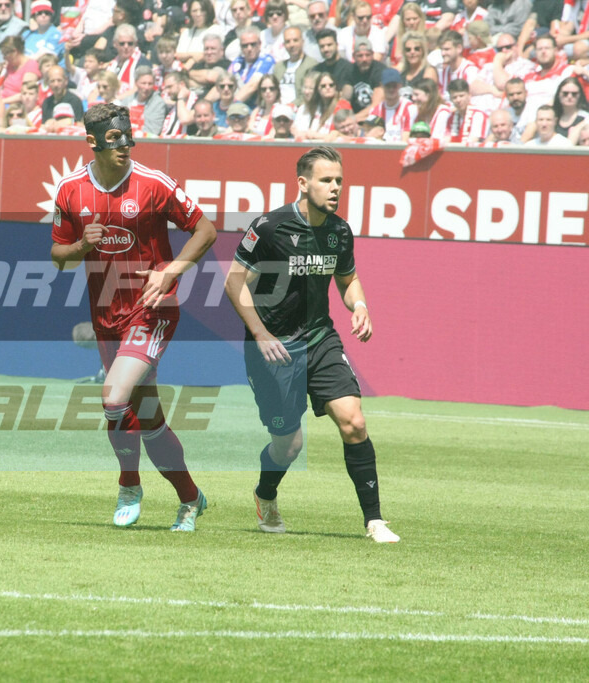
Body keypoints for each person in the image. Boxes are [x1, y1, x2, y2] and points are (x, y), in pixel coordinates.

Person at [50, 102, 217, 532]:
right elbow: (58, 257)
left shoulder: (153, 184)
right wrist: (80, 247)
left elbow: (205, 230)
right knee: (148, 419)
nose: (124, 145)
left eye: (128, 136)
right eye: (114, 139)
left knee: (112, 396)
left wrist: (171, 271)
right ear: (92, 142)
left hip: (153, 310)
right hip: (106, 315)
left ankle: (128, 485)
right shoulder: (71, 190)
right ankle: (190, 498)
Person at [223, 146, 400, 544]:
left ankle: (374, 520)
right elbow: (234, 283)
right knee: (289, 446)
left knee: (354, 422)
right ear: (303, 183)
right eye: (326, 180)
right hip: (274, 347)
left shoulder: (340, 231)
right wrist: (261, 334)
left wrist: (360, 305)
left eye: (339, 180)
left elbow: (347, 278)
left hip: (320, 339)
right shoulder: (269, 227)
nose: (335, 187)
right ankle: (265, 495)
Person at [272, 25, 318, 104]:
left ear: (302, 42)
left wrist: (291, 105)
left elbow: (310, 94)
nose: (292, 45)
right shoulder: (278, 67)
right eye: (288, 41)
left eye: (295, 40)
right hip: (277, 108)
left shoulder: (312, 64)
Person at [230, 26, 275, 107]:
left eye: (253, 44)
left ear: (260, 44)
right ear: (240, 47)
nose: (249, 48)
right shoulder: (238, 61)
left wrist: (230, 107)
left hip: (254, 106)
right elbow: (224, 81)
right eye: (245, 46)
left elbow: (252, 86)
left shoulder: (267, 60)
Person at [41, 64, 84, 130]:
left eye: (59, 80)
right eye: (52, 81)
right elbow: (44, 126)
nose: (56, 84)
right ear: (48, 83)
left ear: (66, 81)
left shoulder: (75, 101)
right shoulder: (47, 103)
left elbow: (79, 125)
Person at [445, 77, 488, 142]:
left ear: (469, 95)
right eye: (454, 97)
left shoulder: (478, 115)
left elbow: (474, 141)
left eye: (461, 96)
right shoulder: (451, 117)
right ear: (450, 99)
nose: (458, 100)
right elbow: (446, 139)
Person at [552, 76, 589, 142]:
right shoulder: (552, 117)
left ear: (580, 95)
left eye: (574, 94)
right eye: (565, 93)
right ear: (558, 94)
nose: (569, 96)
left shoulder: (586, 117)